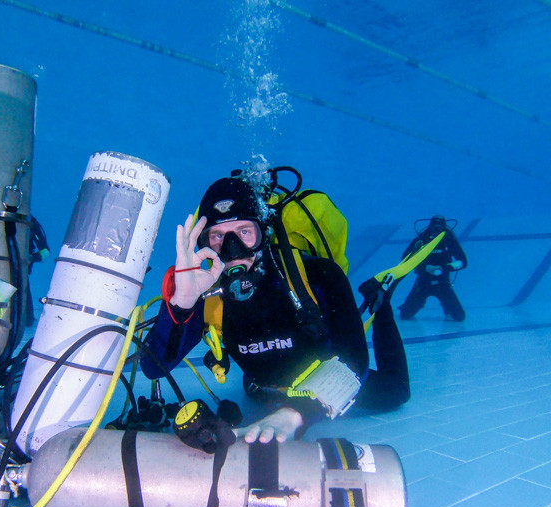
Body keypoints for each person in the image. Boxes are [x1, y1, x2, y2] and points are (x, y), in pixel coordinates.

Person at [140, 175, 410, 444]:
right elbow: (153, 367)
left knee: (396, 392)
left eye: (244, 232)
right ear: (205, 244)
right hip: (263, 388)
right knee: (254, 391)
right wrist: (183, 302)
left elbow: (352, 364)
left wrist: (296, 413)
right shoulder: (208, 291)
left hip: (321, 384)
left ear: (263, 233)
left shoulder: (320, 275)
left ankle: (380, 297)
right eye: (218, 236)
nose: (233, 250)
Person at [399, 215, 467, 322]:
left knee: (459, 317)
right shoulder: (422, 240)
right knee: (405, 315)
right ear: (430, 227)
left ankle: (448, 308)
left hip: (443, 284)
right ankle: (414, 304)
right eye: (434, 227)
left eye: (439, 227)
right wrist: (425, 267)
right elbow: (406, 259)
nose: (436, 230)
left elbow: (463, 262)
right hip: (422, 284)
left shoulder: (449, 241)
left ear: (444, 228)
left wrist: (445, 267)